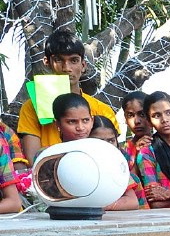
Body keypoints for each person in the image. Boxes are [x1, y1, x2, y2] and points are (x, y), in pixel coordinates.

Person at [17, 29, 118, 163]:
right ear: (46, 63)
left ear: (83, 65)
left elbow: (113, 156)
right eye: (59, 60)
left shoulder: (103, 110)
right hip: (48, 178)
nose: (66, 68)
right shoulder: (31, 108)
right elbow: (34, 160)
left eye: (74, 60)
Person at [50, 94, 139, 211]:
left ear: (92, 120)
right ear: (58, 124)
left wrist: (92, 207)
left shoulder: (106, 156)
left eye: (85, 120)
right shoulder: (50, 157)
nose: (80, 127)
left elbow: (132, 201)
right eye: (72, 122)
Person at [88, 115, 147, 210]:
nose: (107, 146)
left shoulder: (118, 169)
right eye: (99, 141)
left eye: (111, 140)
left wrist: (93, 208)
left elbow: (132, 202)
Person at [121, 91, 152, 177]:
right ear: (125, 119)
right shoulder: (122, 152)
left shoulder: (163, 145)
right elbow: (126, 183)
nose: (137, 121)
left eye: (142, 114)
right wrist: (138, 155)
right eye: (130, 115)